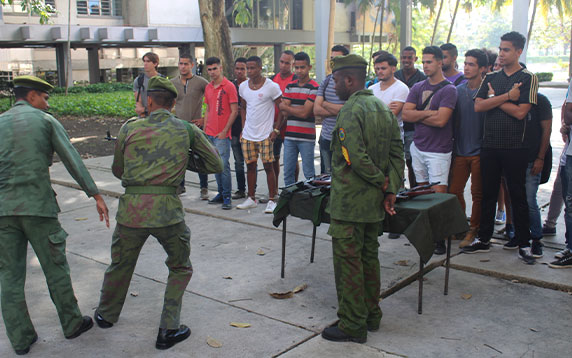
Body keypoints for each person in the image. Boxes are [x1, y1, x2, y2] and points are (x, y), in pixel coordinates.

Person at [94, 76, 222, 350]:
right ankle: (168, 328)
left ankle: (106, 315)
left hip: (132, 212)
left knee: (120, 264)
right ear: (174, 103)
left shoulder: (129, 128)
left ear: (149, 101)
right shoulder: (186, 130)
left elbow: (118, 171)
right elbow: (215, 164)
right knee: (180, 266)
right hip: (168, 213)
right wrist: (180, 160)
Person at [0, 75, 110, 355]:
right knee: (55, 268)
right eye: (45, 97)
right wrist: (95, 193)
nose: (47, 103)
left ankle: (21, 340)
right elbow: (72, 158)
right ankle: (72, 323)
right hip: (38, 208)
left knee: (9, 278)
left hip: (3, 211)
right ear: (33, 96)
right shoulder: (45, 121)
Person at [321, 54, 404, 343]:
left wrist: (381, 181)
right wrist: (390, 188)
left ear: (348, 79)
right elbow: (397, 153)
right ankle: (371, 315)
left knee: (349, 263)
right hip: (372, 206)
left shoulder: (350, 110)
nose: (333, 86)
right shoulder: (382, 109)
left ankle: (352, 324)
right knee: (369, 258)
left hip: (350, 205)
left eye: (335, 80)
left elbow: (352, 156)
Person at [463, 31, 539, 264]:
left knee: (518, 196)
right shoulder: (491, 77)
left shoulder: (528, 78)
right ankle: (484, 239)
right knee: (487, 193)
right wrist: (508, 95)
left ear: (518, 51)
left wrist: (496, 99)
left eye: (507, 49)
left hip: (516, 147)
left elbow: (520, 112)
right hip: (490, 145)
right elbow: (478, 106)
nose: (502, 53)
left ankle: (524, 243)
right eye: (501, 48)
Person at [402, 46, 458, 255]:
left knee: (438, 196)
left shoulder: (449, 89)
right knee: (422, 192)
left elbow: (442, 120)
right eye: (423, 62)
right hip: (418, 146)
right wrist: (428, 114)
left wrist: (419, 113)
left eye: (429, 62)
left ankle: (439, 238)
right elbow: (406, 115)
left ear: (440, 62)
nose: (425, 66)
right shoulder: (417, 87)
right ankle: (426, 234)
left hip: (439, 151)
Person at [449, 49, 488, 248]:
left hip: (481, 152)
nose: (466, 67)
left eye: (471, 64)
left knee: (477, 194)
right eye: (465, 63)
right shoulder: (457, 90)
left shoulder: (488, 91)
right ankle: (461, 224)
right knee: (455, 191)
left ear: (483, 68)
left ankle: (474, 229)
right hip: (460, 150)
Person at [237, 56, 282, 213]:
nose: (249, 71)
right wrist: (243, 128)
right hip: (248, 135)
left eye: (252, 68)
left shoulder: (271, 86)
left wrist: (276, 130)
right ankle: (251, 198)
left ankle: (272, 199)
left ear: (260, 68)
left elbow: (282, 109)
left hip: (265, 135)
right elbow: (243, 108)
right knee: (250, 166)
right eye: (247, 68)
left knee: (269, 166)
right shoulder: (243, 87)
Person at [510, 91, 551, 257]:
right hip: (512, 158)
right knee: (514, 199)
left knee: (529, 200)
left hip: (532, 158)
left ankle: (536, 238)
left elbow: (546, 131)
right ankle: (520, 236)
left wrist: (540, 158)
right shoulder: (510, 99)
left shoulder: (540, 100)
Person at [170, 53, 210, 199]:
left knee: (200, 157)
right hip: (179, 127)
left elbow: (212, 100)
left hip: (196, 127)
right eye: (180, 64)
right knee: (180, 157)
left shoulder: (201, 82)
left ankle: (204, 188)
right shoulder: (173, 83)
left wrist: (204, 119)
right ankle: (180, 186)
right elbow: (168, 104)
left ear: (192, 65)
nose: (183, 67)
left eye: (186, 64)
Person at [277, 52, 319, 186]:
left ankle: (310, 201)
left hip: (306, 138)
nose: (299, 71)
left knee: (309, 174)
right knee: (288, 172)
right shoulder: (290, 86)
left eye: (303, 67)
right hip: (289, 137)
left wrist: (289, 108)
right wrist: (296, 109)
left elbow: (305, 114)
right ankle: (290, 201)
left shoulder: (314, 87)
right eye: (297, 67)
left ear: (309, 67)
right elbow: (282, 110)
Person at [203, 57, 239, 210]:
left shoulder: (229, 86)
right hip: (209, 133)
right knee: (214, 165)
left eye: (214, 69)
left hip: (222, 135)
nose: (212, 72)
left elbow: (234, 111)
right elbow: (208, 109)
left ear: (221, 68)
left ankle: (227, 197)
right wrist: (204, 130)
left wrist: (225, 131)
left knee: (223, 166)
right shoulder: (208, 87)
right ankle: (220, 193)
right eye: (209, 69)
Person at [395, 46, 427, 189]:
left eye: (409, 57)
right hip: (395, 127)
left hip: (413, 128)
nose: (406, 60)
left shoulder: (422, 79)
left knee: (412, 162)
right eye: (404, 57)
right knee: (396, 161)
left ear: (415, 59)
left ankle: (414, 190)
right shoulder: (395, 76)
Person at [314, 45, 349, 174]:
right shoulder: (327, 81)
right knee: (326, 178)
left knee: (345, 177)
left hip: (345, 139)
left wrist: (325, 104)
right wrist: (339, 109)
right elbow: (316, 110)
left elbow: (349, 111)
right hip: (326, 137)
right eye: (332, 59)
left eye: (338, 59)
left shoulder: (353, 83)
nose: (334, 62)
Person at [550, 80, 572, 268]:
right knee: (568, 200)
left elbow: (569, 111)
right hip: (569, 152)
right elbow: (567, 110)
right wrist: (565, 125)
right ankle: (570, 246)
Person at [368, 52, 409, 139]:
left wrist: (372, 110)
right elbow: (363, 114)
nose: (379, 71)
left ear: (393, 69)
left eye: (383, 68)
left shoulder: (401, 88)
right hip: (371, 137)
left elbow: (390, 117)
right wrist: (385, 108)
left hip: (392, 139)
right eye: (377, 69)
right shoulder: (371, 88)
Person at [272, 50, 297, 192]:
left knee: (291, 161)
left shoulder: (295, 81)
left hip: (290, 127)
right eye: (281, 62)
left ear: (292, 64)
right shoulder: (272, 79)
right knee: (274, 158)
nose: (283, 65)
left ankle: (292, 189)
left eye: (287, 63)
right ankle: (274, 189)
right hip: (274, 126)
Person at [231, 57, 248, 200]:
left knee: (251, 162)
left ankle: (252, 192)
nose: (239, 71)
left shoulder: (252, 85)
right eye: (237, 68)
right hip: (234, 130)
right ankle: (241, 189)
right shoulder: (230, 86)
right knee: (238, 162)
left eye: (242, 69)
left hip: (250, 130)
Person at [134, 52, 160, 117]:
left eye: (148, 61)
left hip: (159, 115)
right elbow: (138, 100)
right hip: (144, 116)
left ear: (155, 63)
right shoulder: (139, 80)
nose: (145, 64)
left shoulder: (162, 80)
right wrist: (141, 110)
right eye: (144, 61)